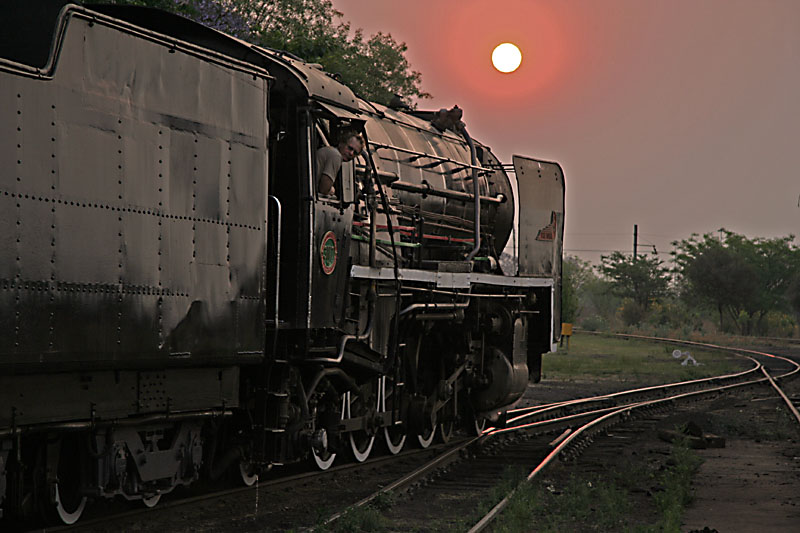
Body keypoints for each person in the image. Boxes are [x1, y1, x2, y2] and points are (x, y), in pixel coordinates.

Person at [316, 131, 364, 197]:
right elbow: (324, 189)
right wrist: (332, 190)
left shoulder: (330, 152)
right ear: (341, 143)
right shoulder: (336, 156)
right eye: (350, 148)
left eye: (355, 153)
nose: (351, 153)